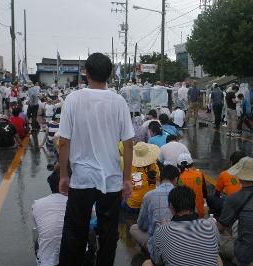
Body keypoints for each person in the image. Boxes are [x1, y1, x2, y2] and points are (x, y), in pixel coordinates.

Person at [58, 53, 135, 265]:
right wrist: (126, 179)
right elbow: (128, 144)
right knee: (109, 233)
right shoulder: (118, 102)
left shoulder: (73, 99)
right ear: (110, 74)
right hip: (110, 179)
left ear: (86, 73)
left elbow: (63, 141)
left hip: (82, 178)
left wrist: (64, 175)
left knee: (75, 230)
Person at [145, 186, 221, 266]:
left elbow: (157, 261)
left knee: (147, 263)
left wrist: (163, 229)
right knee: (217, 257)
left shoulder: (161, 230)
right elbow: (217, 248)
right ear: (194, 205)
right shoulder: (211, 225)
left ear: (171, 206)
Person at [130, 165, 180, 254]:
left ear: (160, 177)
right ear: (176, 179)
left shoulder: (149, 195)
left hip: (157, 242)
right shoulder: (181, 194)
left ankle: (150, 249)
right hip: (178, 242)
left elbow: (142, 225)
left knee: (134, 228)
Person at [32, 167, 68, 266]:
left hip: (48, 262)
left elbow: (40, 227)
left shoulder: (37, 204)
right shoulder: (77, 201)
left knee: (39, 238)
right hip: (75, 259)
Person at [123, 142, 160, 214]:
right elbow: (157, 182)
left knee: (123, 202)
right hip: (149, 202)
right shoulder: (154, 167)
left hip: (133, 204)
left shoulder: (130, 167)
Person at [207, 151, 246, 218]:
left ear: (231, 162)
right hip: (248, 207)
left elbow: (217, 192)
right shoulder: (251, 175)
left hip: (232, 208)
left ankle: (216, 217)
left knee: (210, 198)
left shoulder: (225, 174)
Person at [177, 153, 207, 218]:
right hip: (200, 213)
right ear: (191, 164)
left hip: (183, 215)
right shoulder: (200, 174)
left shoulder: (178, 177)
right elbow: (205, 194)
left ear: (178, 166)